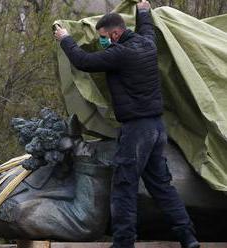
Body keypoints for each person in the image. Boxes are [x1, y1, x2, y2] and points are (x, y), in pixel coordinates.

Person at [54, 1, 200, 248]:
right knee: (162, 186)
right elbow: (147, 28)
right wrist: (143, 10)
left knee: (124, 185)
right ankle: (188, 237)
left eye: (102, 37)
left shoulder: (119, 54)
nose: (101, 42)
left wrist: (65, 38)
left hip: (136, 131)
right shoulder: (147, 44)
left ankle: (123, 242)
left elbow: (83, 62)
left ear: (115, 33)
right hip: (156, 128)